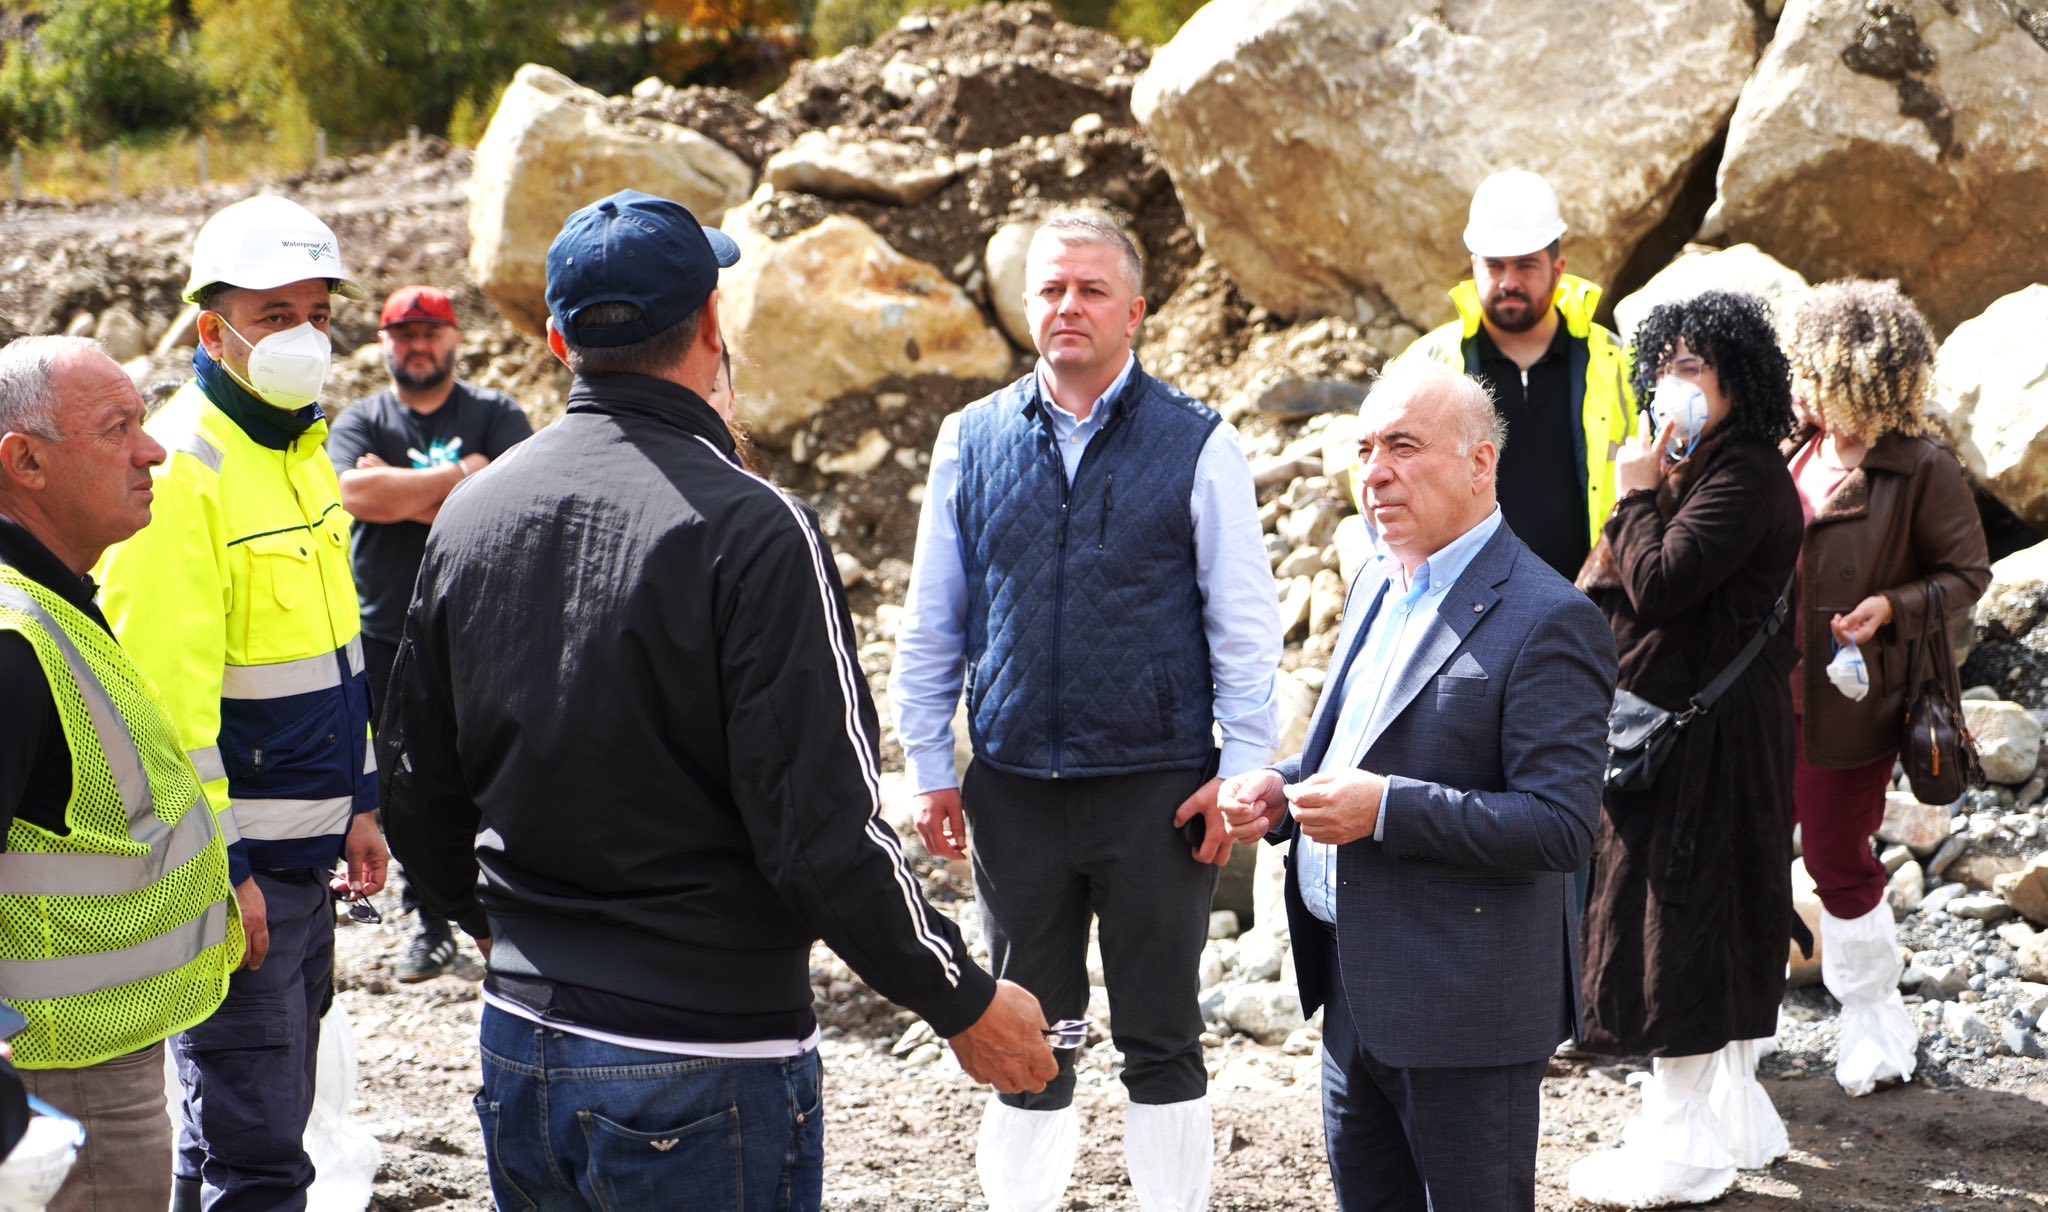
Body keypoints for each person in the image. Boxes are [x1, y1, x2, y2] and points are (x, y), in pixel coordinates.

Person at [378, 189, 1057, 1211]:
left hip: (522, 1044)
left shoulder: (472, 512)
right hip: (701, 1059)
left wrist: (497, 930)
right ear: (710, 323)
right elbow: (820, 833)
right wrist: (959, 997)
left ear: (559, 341)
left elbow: (415, 780)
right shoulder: (756, 529)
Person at [891, 209, 1281, 1212]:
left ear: (1135, 312)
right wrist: (929, 764)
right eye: (1051, 289)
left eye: (1092, 290)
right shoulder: (969, 440)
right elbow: (933, 619)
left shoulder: (1199, 443)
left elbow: (1243, 627)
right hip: (1014, 793)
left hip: (1157, 794)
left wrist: (1242, 771)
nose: (1069, 306)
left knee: (1162, 1039)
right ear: (1027, 306)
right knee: (1029, 1039)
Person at [1218, 359, 1616, 1212]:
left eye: (1402, 447)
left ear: (1481, 464)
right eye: (1364, 449)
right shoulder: (1377, 581)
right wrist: (1282, 792)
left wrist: (1386, 810)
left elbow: (1560, 827)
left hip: (1464, 1009)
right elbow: (1349, 751)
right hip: (1352, 992)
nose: (1375, 473)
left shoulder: (1550, 617)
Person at [94, 195, 390, 1212]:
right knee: (256, 1157)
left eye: (317, 313)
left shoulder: (299, 453)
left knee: (238, 1134)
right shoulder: (184, 471)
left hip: (304, 862)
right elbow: (161, 707)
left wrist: (359, 801)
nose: (304, 335)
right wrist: (220, 874)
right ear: (212, 332)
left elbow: (333, 654)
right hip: (244, 874)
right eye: (275, 314)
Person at [1569, 290, 1804, 1207]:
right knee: (1715, 911)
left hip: (1709, 742)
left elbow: (1661, 583)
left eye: (1693, 367)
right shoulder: (1696, 466)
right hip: (1689, 730)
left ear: (1739, 379)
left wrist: (1634, 494)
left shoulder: (1745, 474)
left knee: (1682, 917)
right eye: (1665, 366)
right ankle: (1734, 1120)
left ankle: (1683, 1144)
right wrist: (1648, 489)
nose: (1674, 384)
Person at [0, 336, 244, 1212]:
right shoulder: (13, 638)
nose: (153, 451)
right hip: (57, 1082)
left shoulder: (54, 600)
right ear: (26, 462)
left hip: (87, 1060)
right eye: (118, 429)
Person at [1781, 280, 1989, 1097]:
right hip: (1759, 699)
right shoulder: (1792, 449)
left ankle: (1873, 1023)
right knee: (1747, 853)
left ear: (1855, 377)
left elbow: (1968, 574)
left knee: (1837, 856)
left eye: (1812, 372)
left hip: (1851, 706)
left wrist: (1892, 607)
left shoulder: (1922, 467)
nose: (1799, 386)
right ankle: (1742, 1018)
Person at [328, 285, 532, 983]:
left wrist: (399, 493)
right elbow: (350, 495)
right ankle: (430, 919)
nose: (419, 345)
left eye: (431, 332)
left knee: (484, 767)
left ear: (455, 339)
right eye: (405, 334)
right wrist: (462, 479)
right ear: (383, 343)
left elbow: (516, 505)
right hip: (384, 630)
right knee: (405, 781)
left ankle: (502, 906)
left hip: (483, 625)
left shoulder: (497, 413)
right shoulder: (362, 419)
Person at [1388, 168, 1636, 581]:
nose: (1509, 282)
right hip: (1465, 599)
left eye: (1526, 266)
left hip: (1596, 595)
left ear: (1558, 269)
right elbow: (1374, 468)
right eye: (1495, 266)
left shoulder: (1616, 360)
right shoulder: (1428, 365)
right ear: (1474, 268)